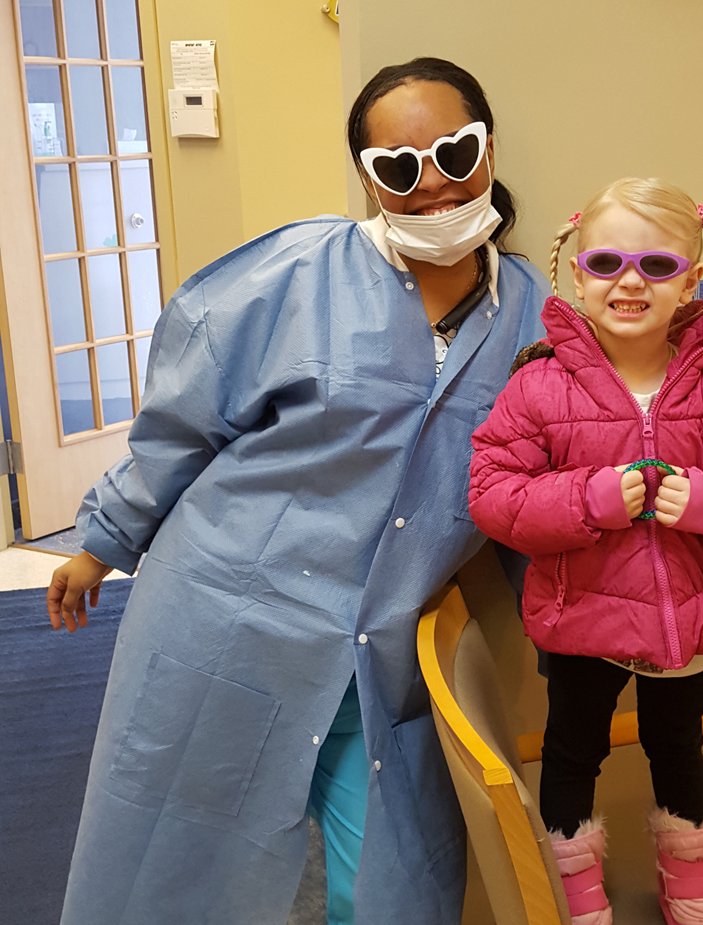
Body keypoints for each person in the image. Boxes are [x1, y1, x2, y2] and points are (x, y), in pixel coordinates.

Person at [45, 57, 547, 925]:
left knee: (396, 886)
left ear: (489, 148)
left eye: (452, 154)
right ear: (367, 179)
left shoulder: (535, 318)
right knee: (173, 868)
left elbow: (535, 487)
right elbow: (183, 419)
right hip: (229, 621)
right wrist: (101, 540)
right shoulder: (294, 273)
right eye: (397, 167)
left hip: (380, 653)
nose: (430, 184)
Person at [468, 178, 703, 925]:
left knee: (679, 747)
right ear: (576, 273)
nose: (630, 282)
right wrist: (588, 499)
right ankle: (574, 890)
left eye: (657, 265)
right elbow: (493, 493)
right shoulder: (538, 384)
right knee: (572, 754)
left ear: (692, 280)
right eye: (607, 262)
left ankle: (690, 867)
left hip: (689, 626)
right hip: (580, 623)